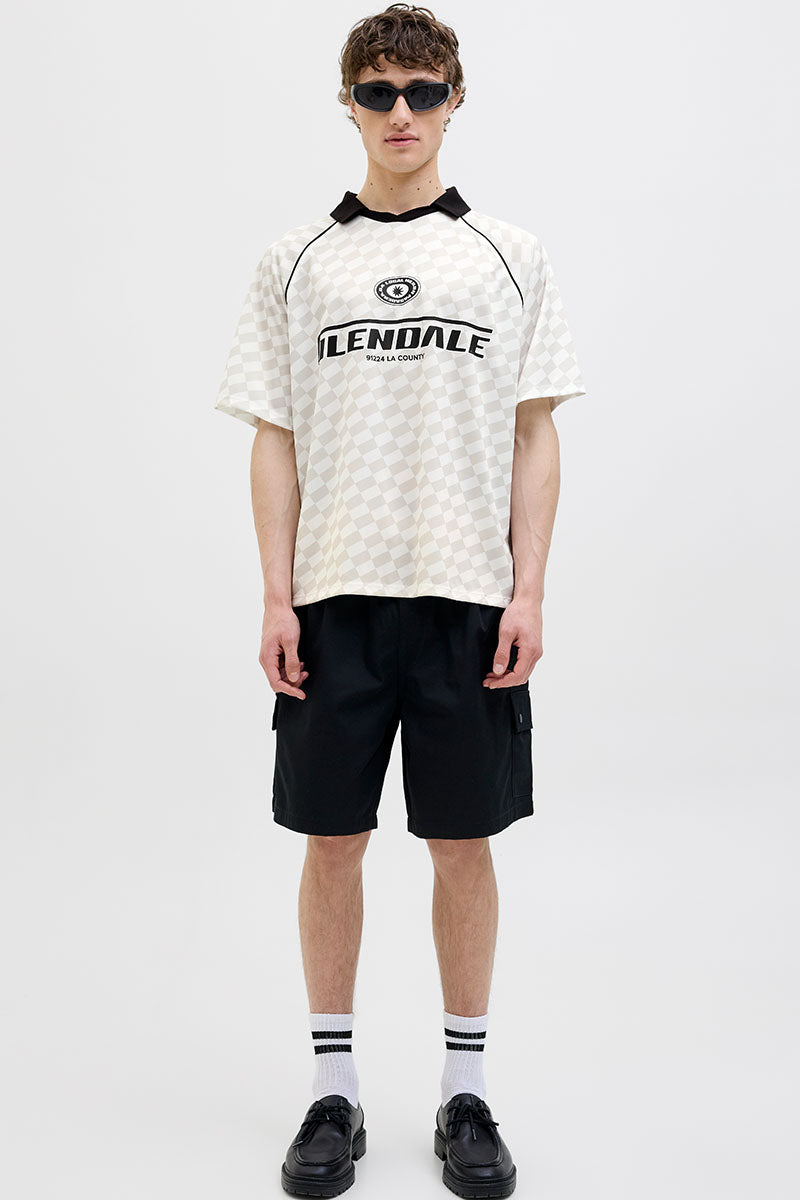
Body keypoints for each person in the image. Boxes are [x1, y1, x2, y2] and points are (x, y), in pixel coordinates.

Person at [215, 4, 587, 1195]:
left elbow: (535, 435)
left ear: (454, 101)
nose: (400, 114)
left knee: (459, 841)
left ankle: (463, 1094)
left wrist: (528, 589)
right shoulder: (295, 260)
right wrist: (275, 596)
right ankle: (333, 1093)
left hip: (467, 600)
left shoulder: (508, 254)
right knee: (332, 840)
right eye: (377, 93)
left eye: (422, 92)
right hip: (334, 599)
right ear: (348, 104)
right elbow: (273, 439)